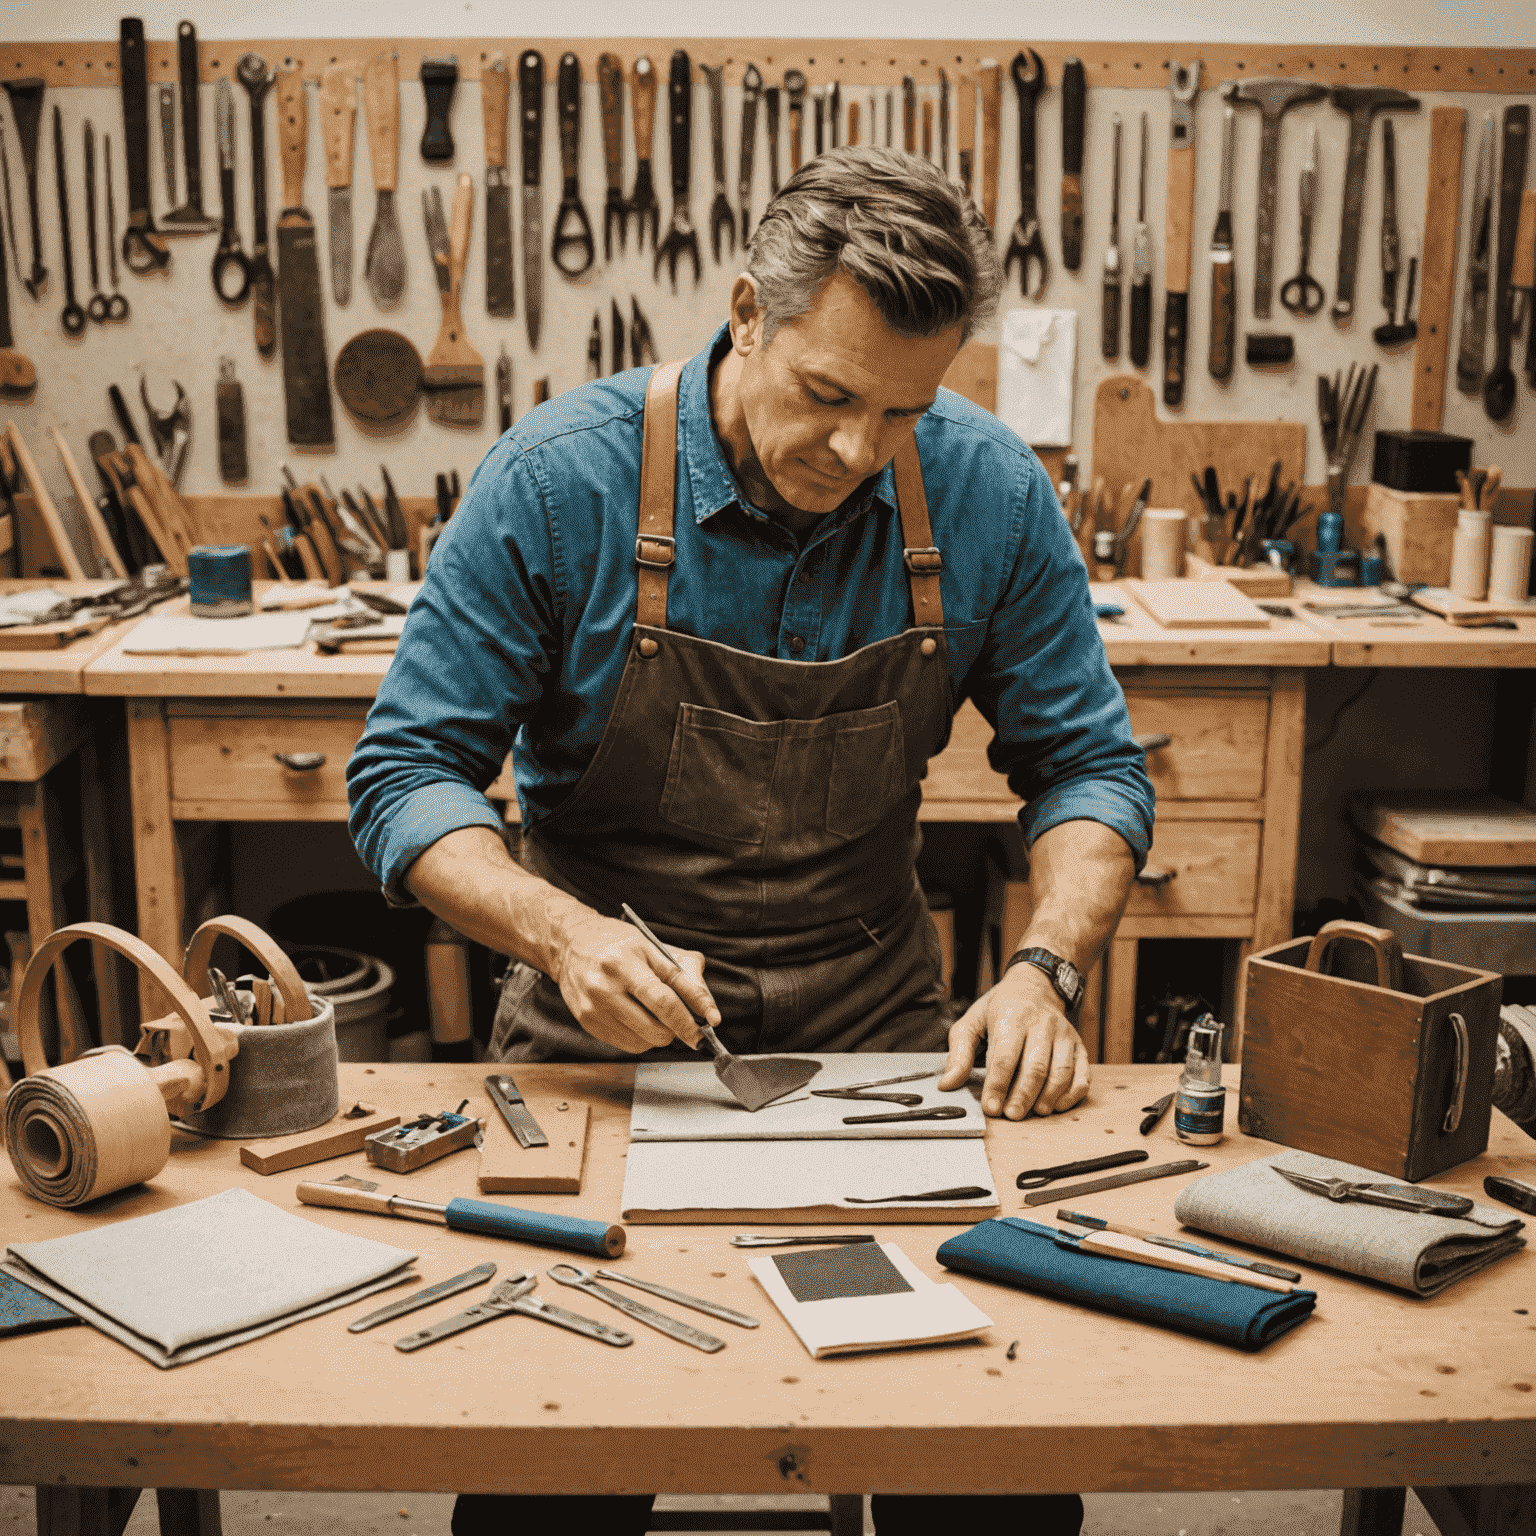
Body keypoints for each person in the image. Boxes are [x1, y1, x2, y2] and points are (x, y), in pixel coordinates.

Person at [348, 146, 1154, 1536]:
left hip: (877, 1032)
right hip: (599, 1039)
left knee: (987, 1475)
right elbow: (405, 775)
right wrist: (562, 933)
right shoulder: (557, 485)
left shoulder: (991, 495)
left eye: (902, 413)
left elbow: (1086, 767)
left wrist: (1044, 970)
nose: (855, 452)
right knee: (550, 1472)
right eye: (827, 396)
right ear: (746, 312)